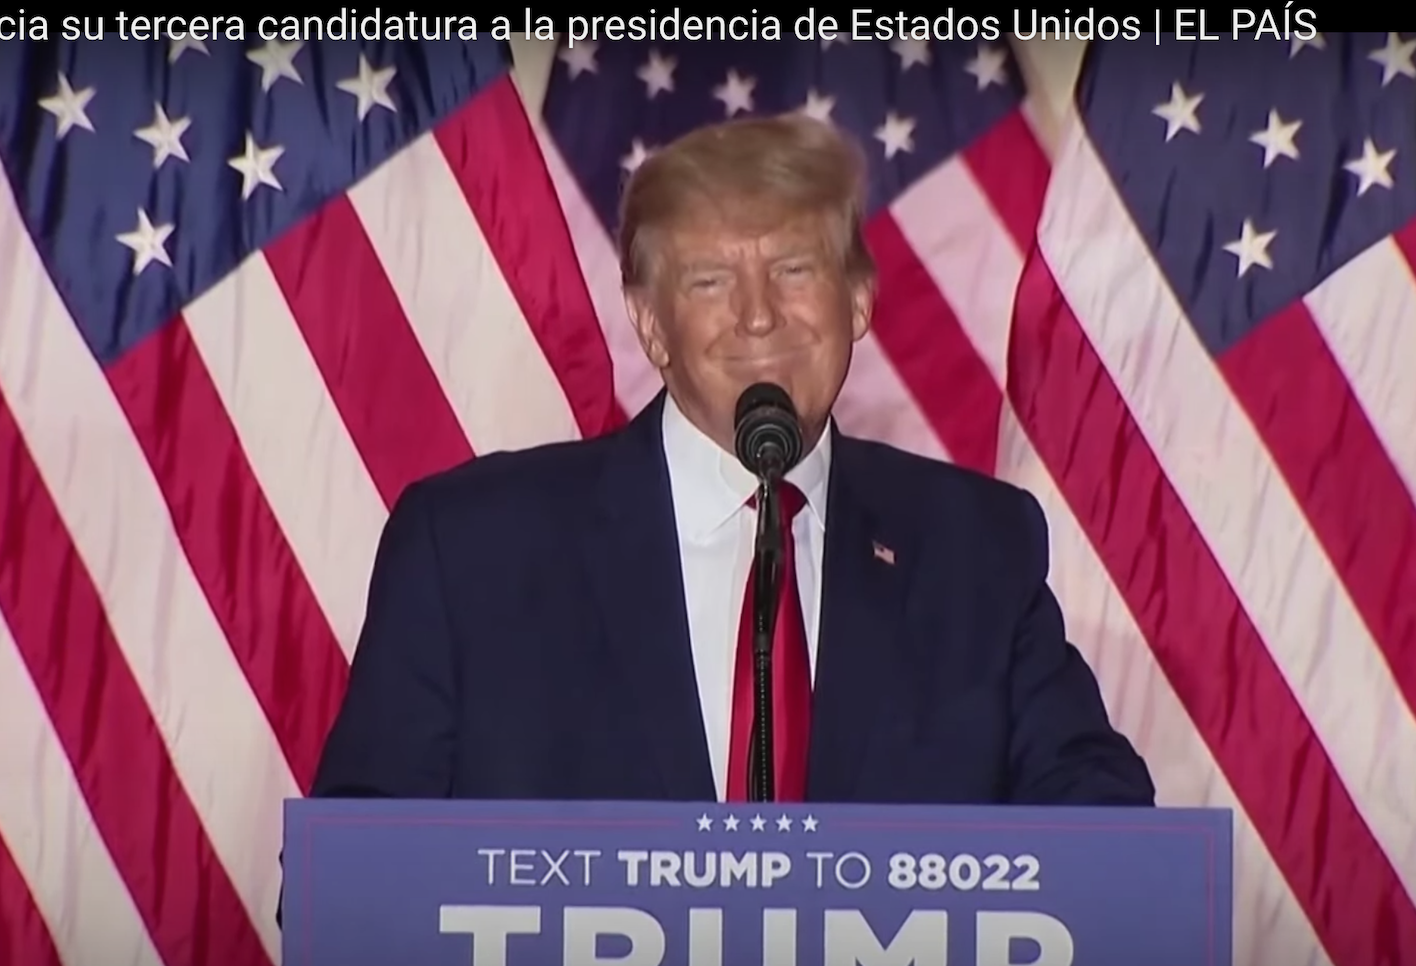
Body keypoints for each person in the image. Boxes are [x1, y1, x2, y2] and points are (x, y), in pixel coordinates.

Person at [310, 113, 1153, 808]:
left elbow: (1100, 826)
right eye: (710, 280)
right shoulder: (471, 550)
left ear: (859, 299)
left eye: (794, 269)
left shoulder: (974, 547)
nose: (758, 316)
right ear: (650, 324)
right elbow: (355, 883)